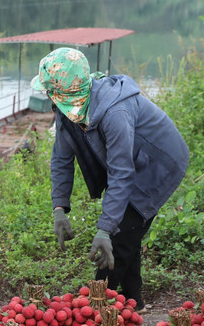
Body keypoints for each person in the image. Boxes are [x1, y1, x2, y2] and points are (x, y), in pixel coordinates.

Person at [31, 47, 189, 312]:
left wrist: (105, 229)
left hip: (158, 162)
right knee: (127, 228)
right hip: (130, 160)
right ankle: (133, 302)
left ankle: (95, 307)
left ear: (67, 92)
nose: (48, 95)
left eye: (51, 90)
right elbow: (61, 159)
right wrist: (59, 208)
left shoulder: (115, 112)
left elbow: (122, 173)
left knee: (121, 233)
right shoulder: (67, 109)